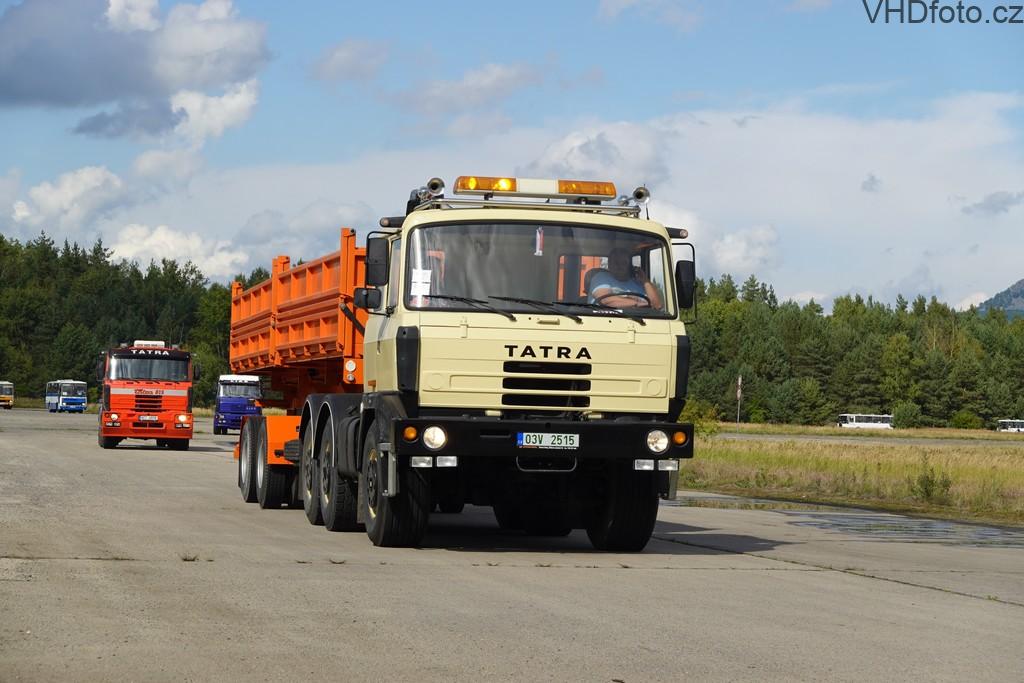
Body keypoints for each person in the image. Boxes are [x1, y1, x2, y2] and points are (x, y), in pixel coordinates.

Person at [589, 248, 663, 309]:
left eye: (624, 263)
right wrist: (638, 304)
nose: (620, 266)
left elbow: (657, 306)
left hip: (641, 320)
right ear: (609, 264)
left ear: (629, 265)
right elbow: (606, 300)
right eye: (616, 262)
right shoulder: (601, 278)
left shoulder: (638, 284)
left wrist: (645, 281)